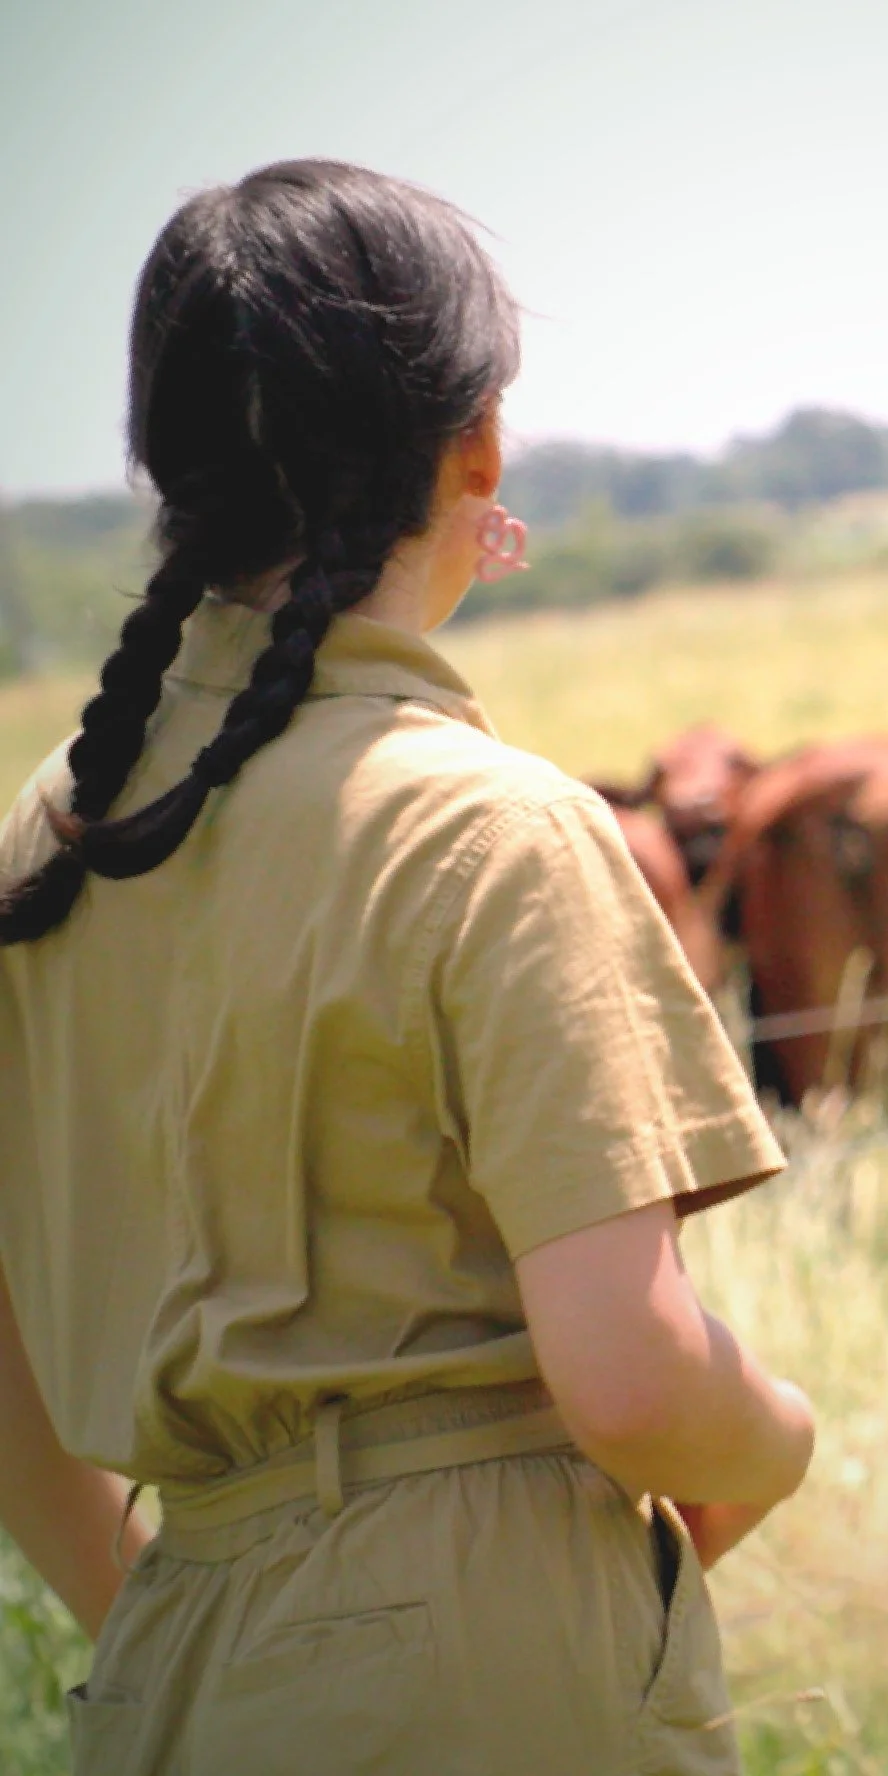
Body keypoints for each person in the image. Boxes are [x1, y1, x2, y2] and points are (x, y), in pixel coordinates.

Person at [0, 160, 814, 1775]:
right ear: (480, 445)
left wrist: (158, 1618)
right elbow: (637, 1387)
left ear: (169, 470)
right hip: (490, 1667)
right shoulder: (491, 828)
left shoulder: (48, 840)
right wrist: (782, 1439)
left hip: (170, 1674)